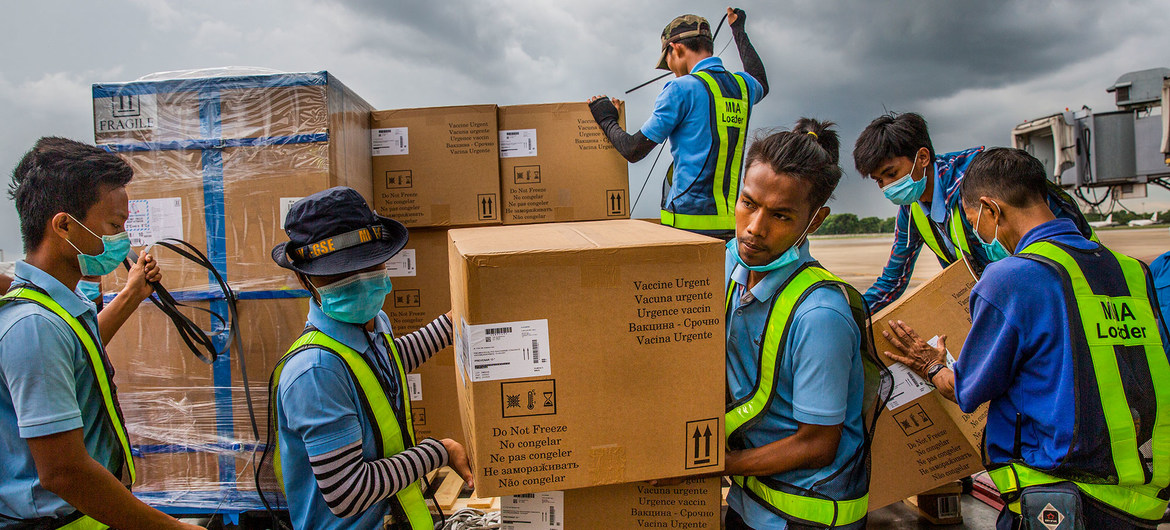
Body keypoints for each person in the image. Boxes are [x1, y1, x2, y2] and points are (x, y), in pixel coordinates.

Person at [882, 148, 1170, 529]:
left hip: (1061, 498)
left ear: (990, 209)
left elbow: (967, 390)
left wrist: (931, 362)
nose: (981, 234)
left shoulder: (1011, 278)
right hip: (1142, 498)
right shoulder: (1133, 272)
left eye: (974, 221)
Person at [0, 136, 199, 529]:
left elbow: (80, 353)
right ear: (64, 226)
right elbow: (64, 473)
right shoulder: (35, 326)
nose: (121, 239)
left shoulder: (56, 310)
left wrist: (132, 294)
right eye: (113, 225)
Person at [266, 187, 473, 529]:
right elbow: (348, 491)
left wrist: (449, 325)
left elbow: (381, 367)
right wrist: (438, 451)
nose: (359, 280)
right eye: (338, 273)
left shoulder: (371, 324)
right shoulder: (315, 372)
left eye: (367, 264)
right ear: (305, 280)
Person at [721, 120, 884, 529]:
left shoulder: (820, 315)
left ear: (815, 220)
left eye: (780, 215)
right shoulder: (727, 263)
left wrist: (714, 464)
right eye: (748, 203)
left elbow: (817, 445)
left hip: (804, 514)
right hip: (750, 501)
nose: (755, 228)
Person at [852, 112, 1094, 312]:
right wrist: (850, 314)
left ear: (923, 157)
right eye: (879, 181)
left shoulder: (979, 181)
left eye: (892, 174)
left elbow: (1064, 231)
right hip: (1003, 304)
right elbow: (893, 280)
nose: (888, 187)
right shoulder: (911, 210)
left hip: (1053, 296)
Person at [588, 7, 768, 240]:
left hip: (688, 227)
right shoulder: (743, 87)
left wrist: (606, 117)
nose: (671, 70)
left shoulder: (681, 88)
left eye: (668, 61)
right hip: (731, 227)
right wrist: (738, 30)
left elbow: (633, 150)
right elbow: (760, 79)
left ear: (676, 48)